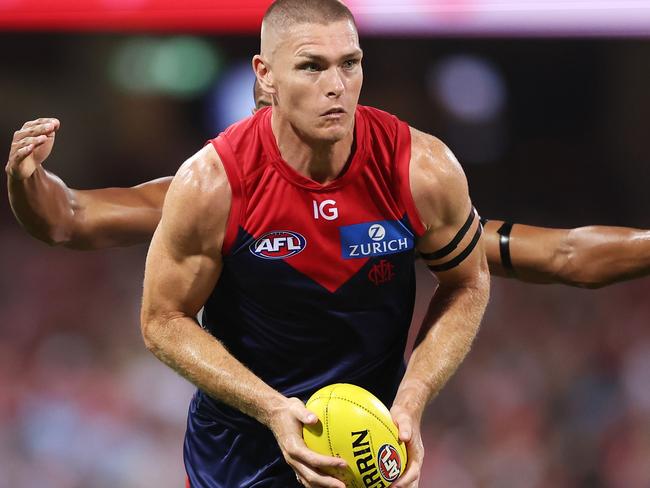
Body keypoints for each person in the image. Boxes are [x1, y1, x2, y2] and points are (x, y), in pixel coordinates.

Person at [142, 0, 491, 486]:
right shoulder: (213, 183)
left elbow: (468, 283)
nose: (336, 86)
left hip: (364, 453)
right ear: (265, 76)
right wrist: (271, 409)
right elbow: (162, 319)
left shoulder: (422, 170)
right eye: (311, 66)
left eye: (350, 63)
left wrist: (412, 398)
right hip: (236, 462)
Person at [7, 112, 650, 289]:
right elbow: (70, 219)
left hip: (365, 447)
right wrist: (25, 178)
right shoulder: (213, 193)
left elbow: (563, 254)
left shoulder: (402, 200)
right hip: (244, 456)